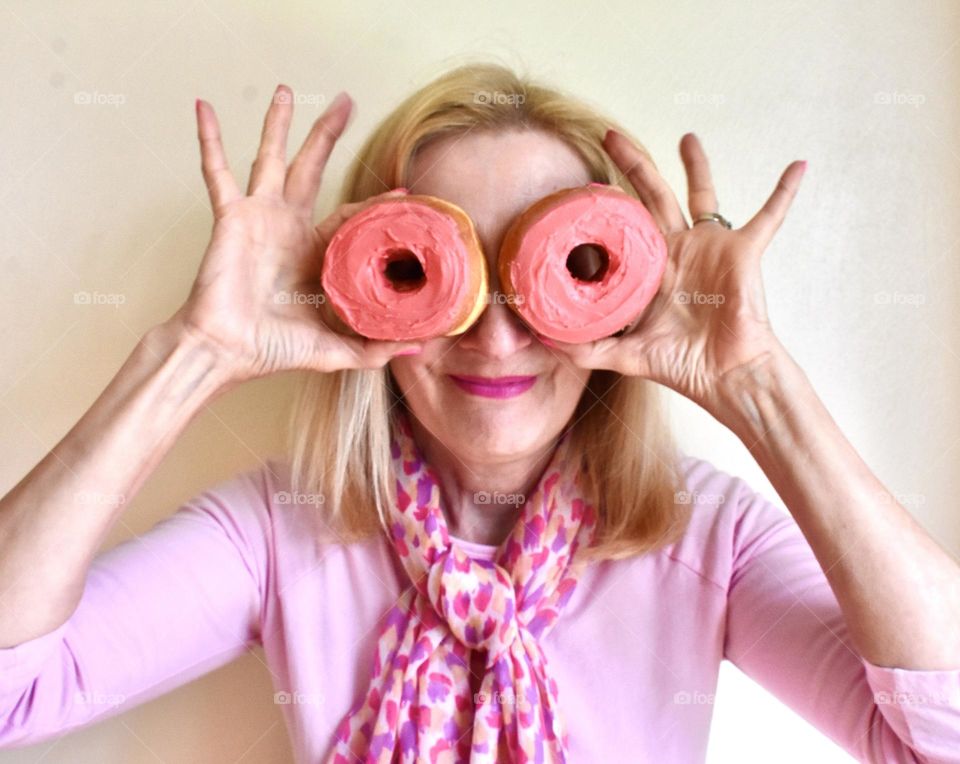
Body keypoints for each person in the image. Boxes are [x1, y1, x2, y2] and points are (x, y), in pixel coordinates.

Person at [0, 63, 958, 763]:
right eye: (426, 274)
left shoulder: (705, 537)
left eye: (567, 269)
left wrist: (756, 383)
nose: (496, 339)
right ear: (360, 285)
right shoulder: (283, 530)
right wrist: (193, 356)